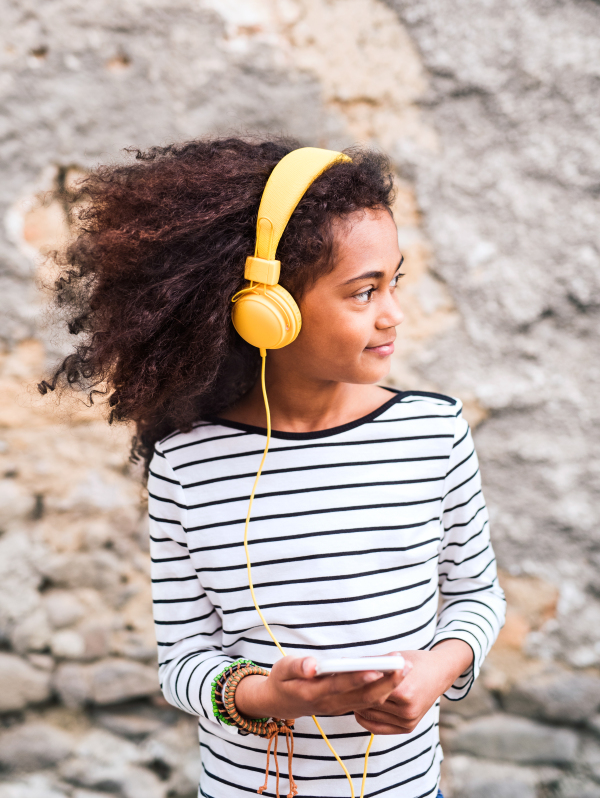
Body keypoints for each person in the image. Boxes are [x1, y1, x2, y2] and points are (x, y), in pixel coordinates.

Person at [41, 137, 506, 798]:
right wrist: (265, 696)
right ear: (269, 312)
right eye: (362, 292)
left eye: (393, 281)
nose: (393, 313)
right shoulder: (187, 465)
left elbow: (477, 596)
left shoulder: (434, 432)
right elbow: (182, 661)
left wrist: (439, 667)